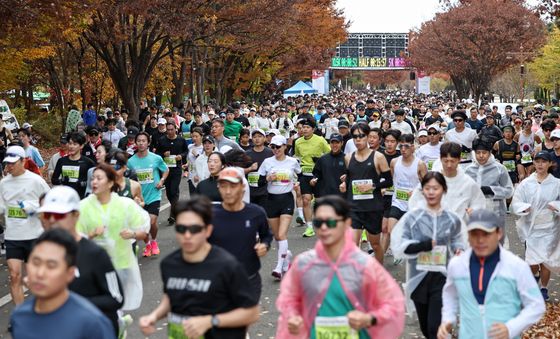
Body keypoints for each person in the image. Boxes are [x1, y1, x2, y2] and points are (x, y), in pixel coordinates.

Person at [276, 195, 405, 338]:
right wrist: (293, 317)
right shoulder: (303, 264)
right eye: (318, 222)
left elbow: (392, 305)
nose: (324, 227)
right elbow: (289, 300)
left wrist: (369, 318)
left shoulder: (365, 265)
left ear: (346, 223)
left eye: (331, 222)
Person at [139, 196, 260, 338]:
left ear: (208, 230)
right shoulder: (169, 263)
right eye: (181, 228)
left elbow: (252, 313)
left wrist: (210, 321)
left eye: (195, 229)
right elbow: (171, 298)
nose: (187, 235)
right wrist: (153, 316)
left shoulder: (228, 265)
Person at [437, 209, 546, 339]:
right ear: (467, 235)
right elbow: (450, 294)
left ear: (498, 233)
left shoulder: (516, 267)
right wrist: (447, 320)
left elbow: (536, 305)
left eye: (486, 234)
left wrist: (511, 328)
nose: (480, 240)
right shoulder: (457, 265)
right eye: (474, 234)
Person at [38, 186, 125, 336]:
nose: (52, 220)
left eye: (59, 215)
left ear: (75, 215)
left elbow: (116, 298)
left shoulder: (95, 254)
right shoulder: (42, 251)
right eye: (47, 214)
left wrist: (72, 305)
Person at [391, 172, 466, 339]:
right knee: (426, 328)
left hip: (443, 277)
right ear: (422, 191)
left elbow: (458, 242)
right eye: (427, 188)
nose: (431, 192)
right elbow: (399, 247)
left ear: (444, 190)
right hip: (418, 277)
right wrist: (424, 245)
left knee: (434, 328)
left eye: (436, 188)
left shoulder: (452, 219)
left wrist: (459, 250)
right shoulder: (412, 218)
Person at [9, 229, 116, 338]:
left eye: (51, 265)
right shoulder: (19, 317)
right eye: (36, 263)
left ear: (70, 273)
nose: (40, 273)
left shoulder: (92, 323)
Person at [77, 164, 150, 313]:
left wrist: (133, 234)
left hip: (121, 264)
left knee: (118, 307)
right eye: (93, 179)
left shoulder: (125, 204)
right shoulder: (83, 207)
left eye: (99, 178)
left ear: (110, 183)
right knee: (99, 309)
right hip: (93, 268)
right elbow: (74, 239)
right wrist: (91, 235)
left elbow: (144, 233)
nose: (94, 182)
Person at [211, 167, 272, 301]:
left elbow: (267, 235)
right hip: (218, 281)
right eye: (223, 186)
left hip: (248, 279)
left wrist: (264, 245)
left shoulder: (256, 213)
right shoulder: (209, 214)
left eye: (233, 186)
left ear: (243, 187)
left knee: (242, 320)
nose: (228, 191)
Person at [0, 145, 50, 305]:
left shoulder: (36, 180)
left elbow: (50, 202)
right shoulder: (4, 183)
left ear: (23, 161)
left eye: (13, 163)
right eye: (7, 163)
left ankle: (37, 311)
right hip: (13, 236)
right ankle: (20, 315)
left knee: (34, 278)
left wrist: (32, 207)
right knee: (14, 276)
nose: (9, 166)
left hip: (34, 235)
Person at [340, 123, 392, 263]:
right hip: (354, 207)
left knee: (375, 245)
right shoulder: (348, 157)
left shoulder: (378, 157)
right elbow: (350, 178)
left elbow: (389, 181)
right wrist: (344, 184)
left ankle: (379, 274)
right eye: (355, 136)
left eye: (361, 136)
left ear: (368, 137)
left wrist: (373, 186)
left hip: (372, 207)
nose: (358, 139)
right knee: (352, 245)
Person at [512, 151, 560, 301]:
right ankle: (535, 275)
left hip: (549, 227)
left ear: (550, 163)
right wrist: (522, 208)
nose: (540, 164)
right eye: (537, 161)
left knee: (545, 260)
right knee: (532, 261)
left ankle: (543, 288)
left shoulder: (556, 184)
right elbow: (516, 201)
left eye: (544, 161)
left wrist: (556, 206)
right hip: (531, 228)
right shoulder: (526, 183)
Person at [258, 135, 301, 279]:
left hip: (286, 200)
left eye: (278, 146)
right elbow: (258, 182)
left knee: (282, 235)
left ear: (284, 147)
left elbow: (301, 175)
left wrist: (298, 184)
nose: (276, 149)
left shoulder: (292, 162)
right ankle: (286, 256)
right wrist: (267, 179)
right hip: (271, 200)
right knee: (277, 236)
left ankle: (278, 266)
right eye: (273, 147)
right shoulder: (267, 162)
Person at [409, 142, 485, 222]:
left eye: (452, 161)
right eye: (446, 161)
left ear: (459, 159)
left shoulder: (467, 183)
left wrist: (473, 212)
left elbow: (479, 202)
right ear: (440, 159)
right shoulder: (430, 181)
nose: (449, 165)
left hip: (458, 229)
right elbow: (414, 201)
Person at [383, 133, 427, 260]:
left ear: (413, 147)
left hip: (414, 205)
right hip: (397, 202)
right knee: (391, 230)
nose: (403, 149)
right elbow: (392, 180)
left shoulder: (420, 164)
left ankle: (411, 255)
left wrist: (416, 191)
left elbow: (427, 185)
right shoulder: (394, 162)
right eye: (401, 146)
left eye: (406, 146)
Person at [127, 132, 169, 257]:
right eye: (138, 141)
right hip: (139, 197)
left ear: (148, 143)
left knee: (151, 221)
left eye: (143, 141)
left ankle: (154, 241)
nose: (141, 143)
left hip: (154, 195)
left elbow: (166, 170)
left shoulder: (156, 158)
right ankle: (147, 244)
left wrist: (161, 180)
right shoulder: (130, 161)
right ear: (135, 143)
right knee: (142, 224)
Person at [465, 138, 514, 234]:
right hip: (474, 213)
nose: (481, 156)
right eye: (478, 153)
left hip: (495, 212)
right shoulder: (468, 170)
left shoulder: (499, 168)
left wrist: (492, 190)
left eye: (484, 152)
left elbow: (509, 191)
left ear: (490, 152)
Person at [295, 119, 330, 238]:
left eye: (307, 127)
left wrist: (320, 160)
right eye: (303, 127)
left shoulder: (320, 140)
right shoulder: (298, 142)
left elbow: (329, 153)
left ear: (313, 129)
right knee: (306, 199)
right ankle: (309, 227)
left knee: (319, 201)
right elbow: (297, 156)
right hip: (305, 174)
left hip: (319, 174)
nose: (304, 129)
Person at [155, 122, 189, 224]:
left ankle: (172, 215)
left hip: (176, 169)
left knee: (174, 190)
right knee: (169, 192)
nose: (169, 132)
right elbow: (157, 154)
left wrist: (181, 156)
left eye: (171, 129)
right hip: (165, 170)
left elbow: (186, 151)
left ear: (175, 130)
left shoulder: (181, 140)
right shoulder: (162, 140)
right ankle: (176, 209)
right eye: (168, 130)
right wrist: (163, 154)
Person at [51, 132, 96, 199]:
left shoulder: (88, 162)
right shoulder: (62, 161)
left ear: (81, 146)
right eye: (70, 143)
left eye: (75, 144)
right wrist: (61, 180)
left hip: (82, 198)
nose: (71, 146)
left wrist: (84, 183)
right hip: (66, 198)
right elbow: (54, 180)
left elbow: (95, 180)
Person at [310, 133, 346, 197]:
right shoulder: (323, 158)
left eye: (337, 143)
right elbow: (317, 174)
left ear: (342, 143)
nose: (334, 145)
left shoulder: (346, 158)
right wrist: (314, 180)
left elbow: (351, 174)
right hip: (325, 195)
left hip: (341, 195)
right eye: (332, 143)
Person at [246, 128, 273, 207]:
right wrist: (250, 169)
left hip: (266, 191)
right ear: (252, 139)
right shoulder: (247, 154)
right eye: (254, 137)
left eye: (259, 136)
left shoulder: (270, 152)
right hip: (251, 191)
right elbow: (240, 171)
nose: (257, 139)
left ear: (264, 138)